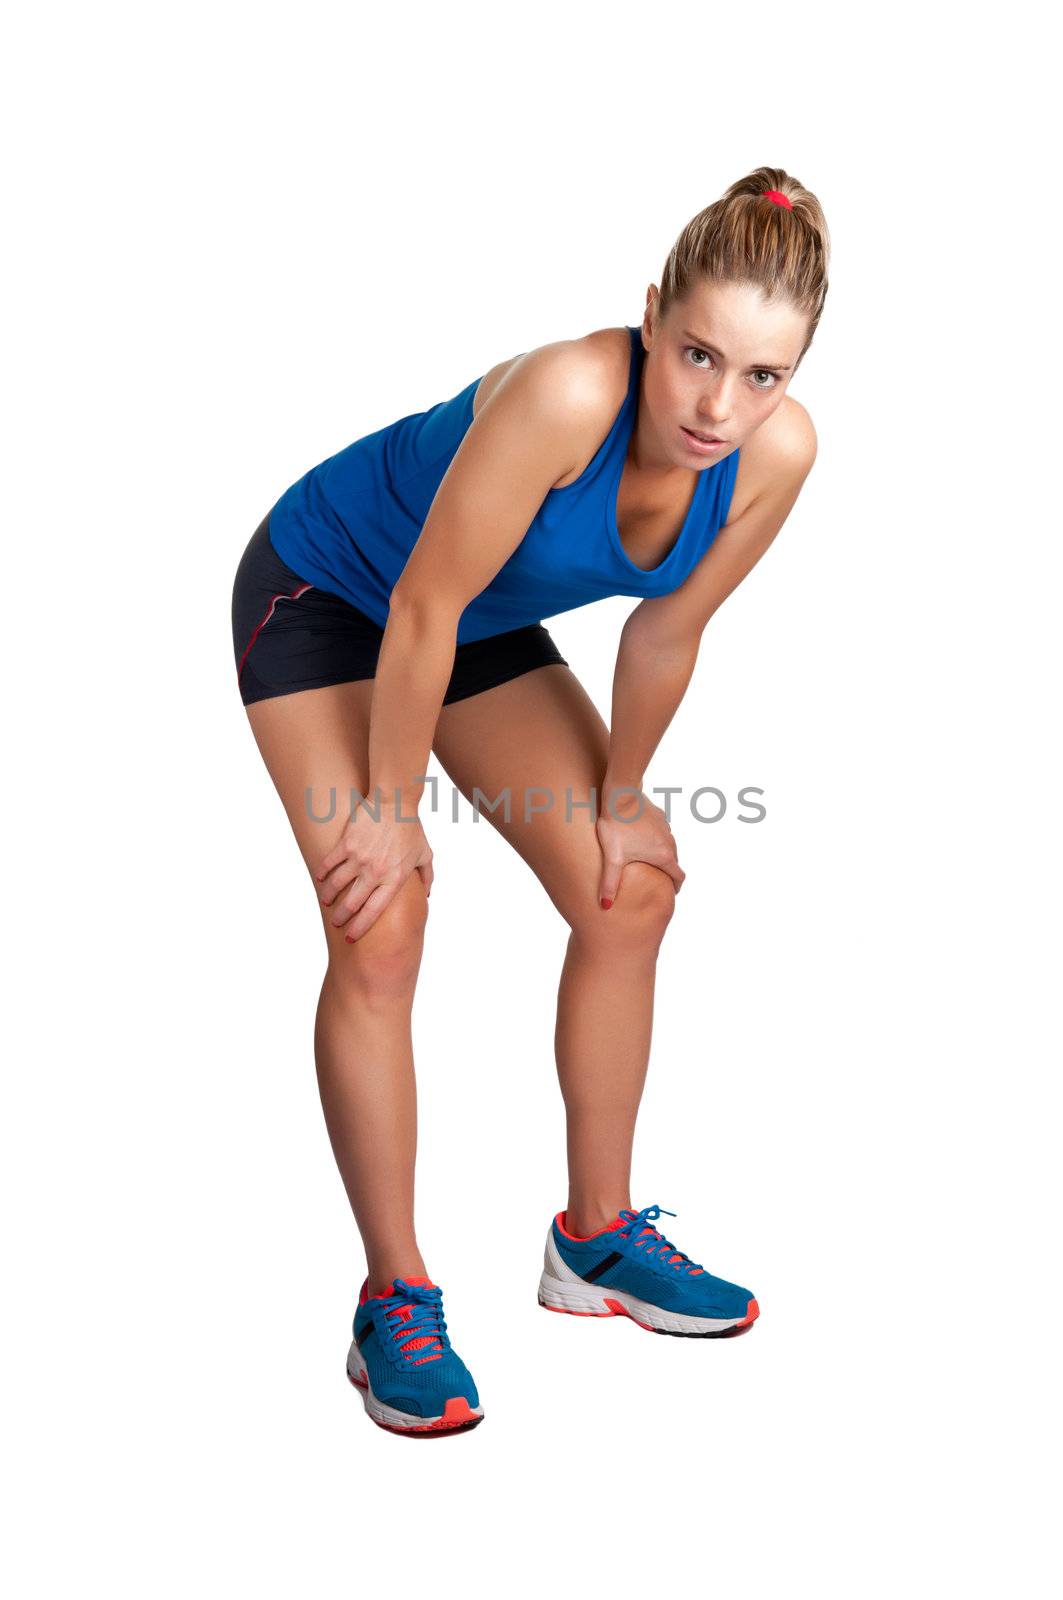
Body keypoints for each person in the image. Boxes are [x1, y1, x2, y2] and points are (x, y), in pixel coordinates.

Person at [231, 165, 829, 1437]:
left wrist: (623, 796)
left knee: (632, 888)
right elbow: (420, 607)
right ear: (652, 312)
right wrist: (389, 814)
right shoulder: (569, 392)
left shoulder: (777, 456)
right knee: (379, 917)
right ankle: (393, 1297)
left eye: (762, 375)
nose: (719, 406)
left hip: (477, 618)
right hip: (336, 594)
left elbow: (667, 627)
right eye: (696, 355)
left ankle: (594, 1238)